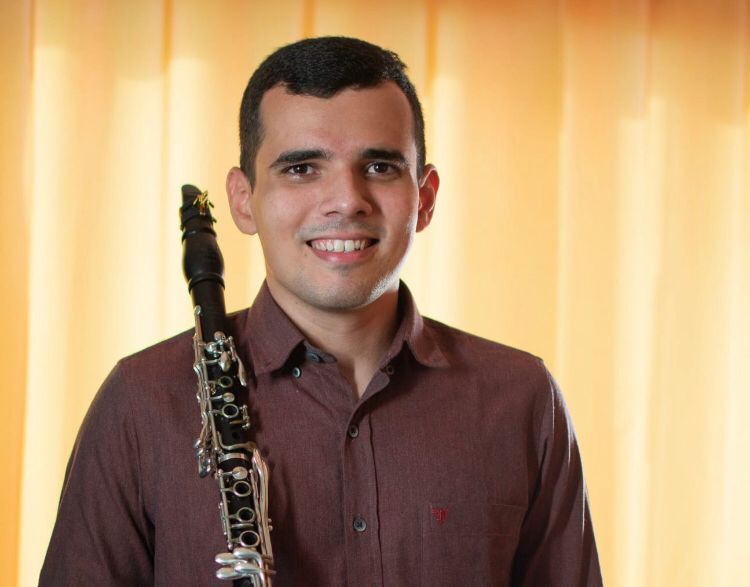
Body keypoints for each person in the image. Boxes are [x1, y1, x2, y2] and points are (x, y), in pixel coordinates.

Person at [41, 36, 602, 586]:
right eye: (302, 168)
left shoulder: (521, 399)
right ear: (243, 200)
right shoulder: (142, 402)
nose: (347, 200)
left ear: (425, 198)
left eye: (379, 167)